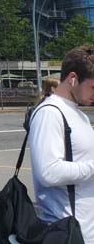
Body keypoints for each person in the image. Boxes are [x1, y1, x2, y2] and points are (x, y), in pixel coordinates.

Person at [29, 46, 94, 243]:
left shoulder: (77, 113)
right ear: (73, 78)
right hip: (66, 231)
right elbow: (49, 171)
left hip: (84, 229)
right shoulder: (49, 113)